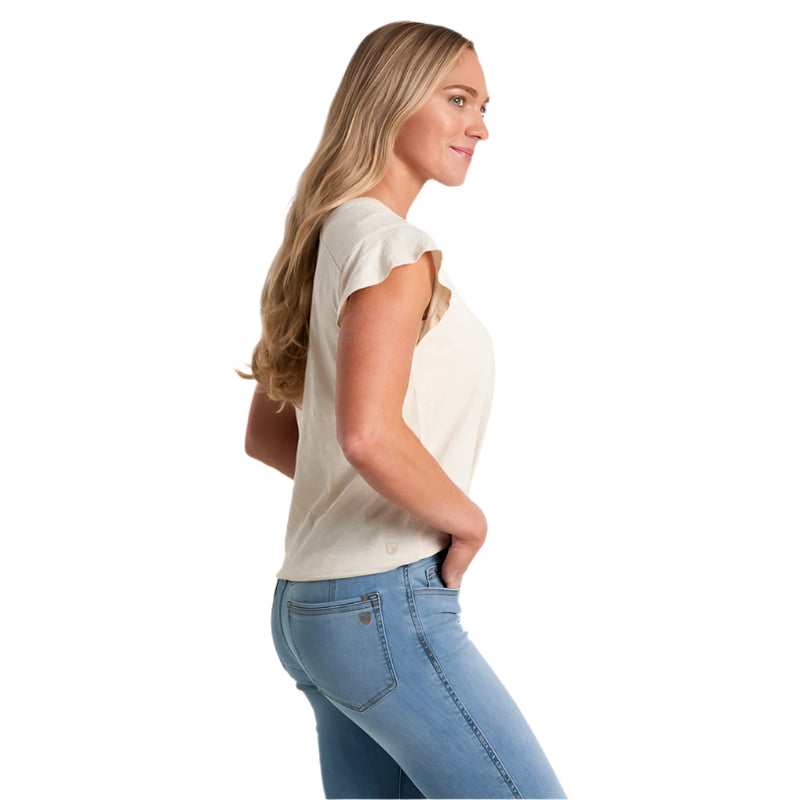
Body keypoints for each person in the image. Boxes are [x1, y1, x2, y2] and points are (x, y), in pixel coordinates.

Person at [239, 21, 566, 800]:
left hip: (311, 610)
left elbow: (273, 434)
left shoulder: (325, 236)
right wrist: (465, 519)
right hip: (380, 605)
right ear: (391, 99)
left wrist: (384, 483)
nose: (479, 126)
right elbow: (365, 435)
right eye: (458, 99)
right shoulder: (393, 247)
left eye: (484, 106)